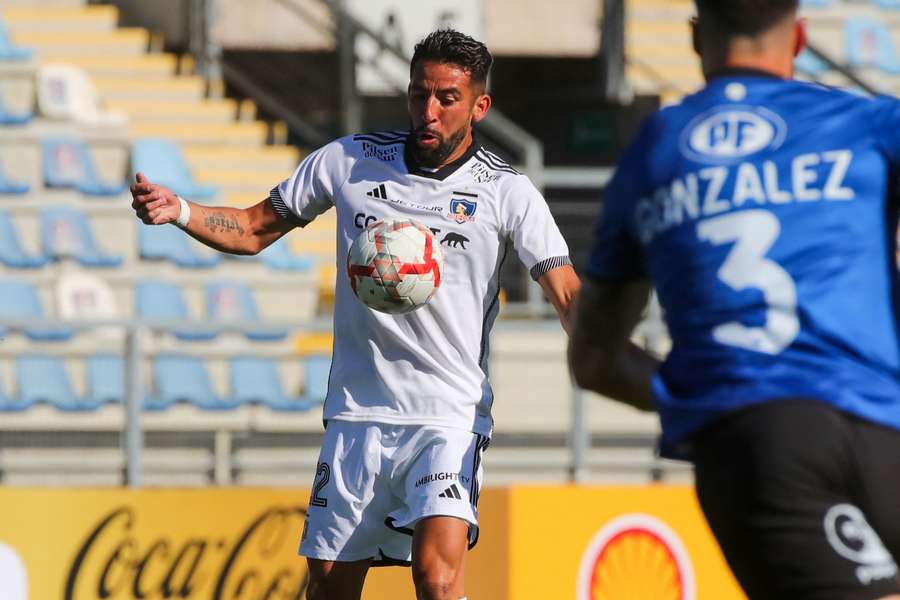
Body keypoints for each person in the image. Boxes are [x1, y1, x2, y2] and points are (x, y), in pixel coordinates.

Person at [131, 29, 580, 600]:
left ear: (479, 106)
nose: (430, 110)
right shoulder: (350, 161)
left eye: (447, 98)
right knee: (329, 590)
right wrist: (180, 210)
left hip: (447, 417)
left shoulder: (507, 192)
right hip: (357, 414)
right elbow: (250, 230)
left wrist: (612, 348)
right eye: (420, 94)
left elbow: (566, 293)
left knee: (437, 579)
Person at [569, 1, 900, 598]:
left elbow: (594, 359)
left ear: (697, 39)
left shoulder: (655, 151)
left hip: (757, 442)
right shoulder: (871, 123)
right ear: (799, 36)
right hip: (885, 428)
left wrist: (701, 395)